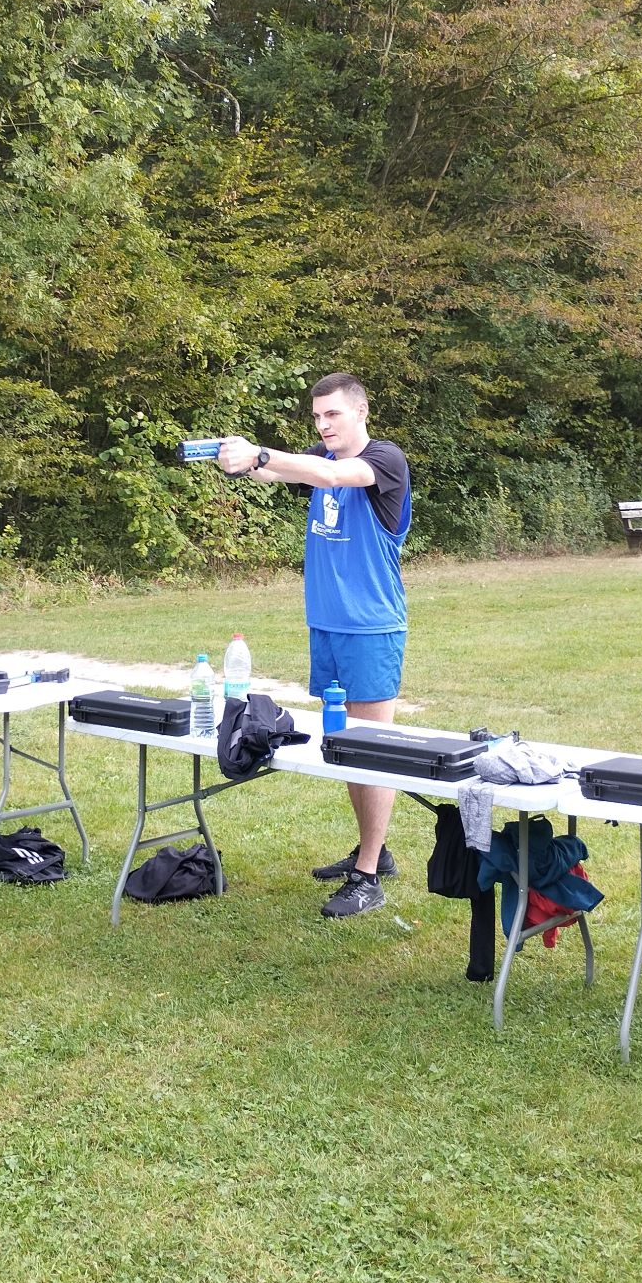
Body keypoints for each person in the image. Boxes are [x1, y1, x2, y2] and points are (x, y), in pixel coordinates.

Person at [217, 374, 413, 919]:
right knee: (345, 743)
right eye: (317, 417)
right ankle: (373, 851)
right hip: (325, 625)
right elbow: (279, 473)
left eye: (333, 414)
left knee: (372, 748)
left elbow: (329, 475)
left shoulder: (384, 460)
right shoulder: (319, 457)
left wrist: (260, 454)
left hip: (370, 628)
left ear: (361, 411)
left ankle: (368, 876)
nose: (324, 425)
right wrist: (241, 460)